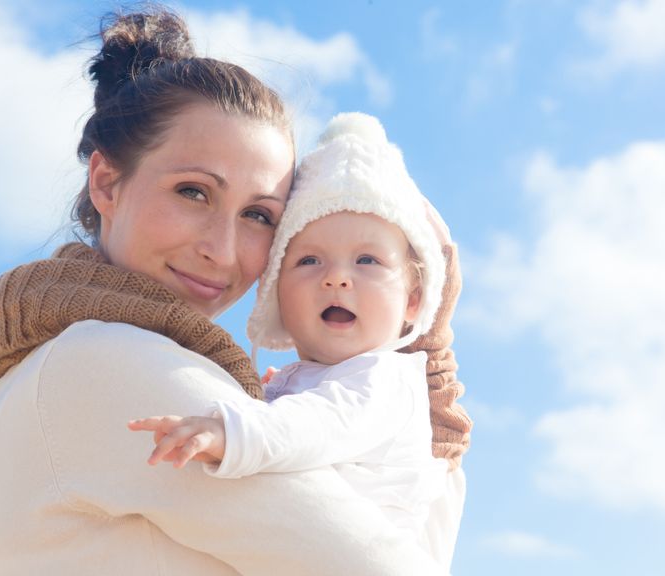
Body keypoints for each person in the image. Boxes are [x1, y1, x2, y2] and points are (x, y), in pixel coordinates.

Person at [0, 6, 471, 576]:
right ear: (107, 183)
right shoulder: (106, 362)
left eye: (259, 215)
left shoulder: (63, 363)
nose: (223, 250)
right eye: (194, 192)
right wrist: (424, 366)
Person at [129, 112, 462, 571]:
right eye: (308, 261)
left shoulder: (387, 380)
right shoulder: (307, 382)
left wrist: (235, 430)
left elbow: (320, 423)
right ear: (277, 296)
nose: (337, 279)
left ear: (414, 301)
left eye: (367, 260)